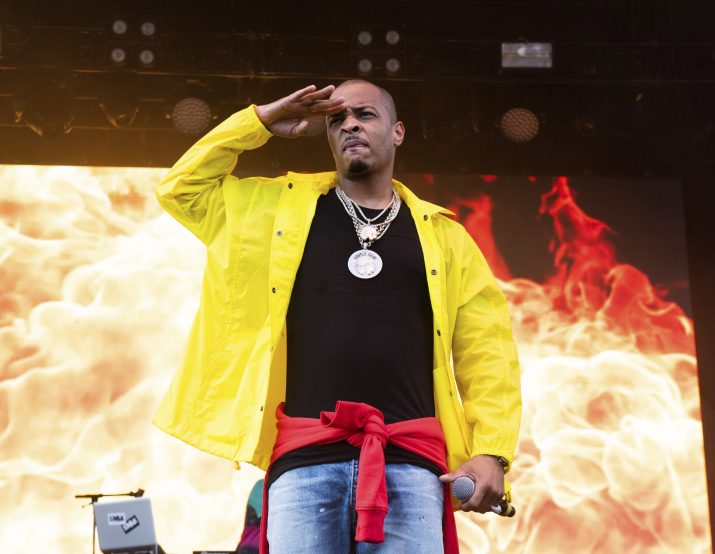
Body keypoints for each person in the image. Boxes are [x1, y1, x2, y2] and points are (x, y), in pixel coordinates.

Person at [153, 80, 522, 553]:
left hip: (410, 465)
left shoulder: (445, 236)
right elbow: (181, 190)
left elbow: (486, 352)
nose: (349, 124)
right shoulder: (274, 209)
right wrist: (259, 121)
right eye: (336, 120)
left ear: (398, 132)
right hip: (303, 460)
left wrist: (492, 451)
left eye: (365, 115)